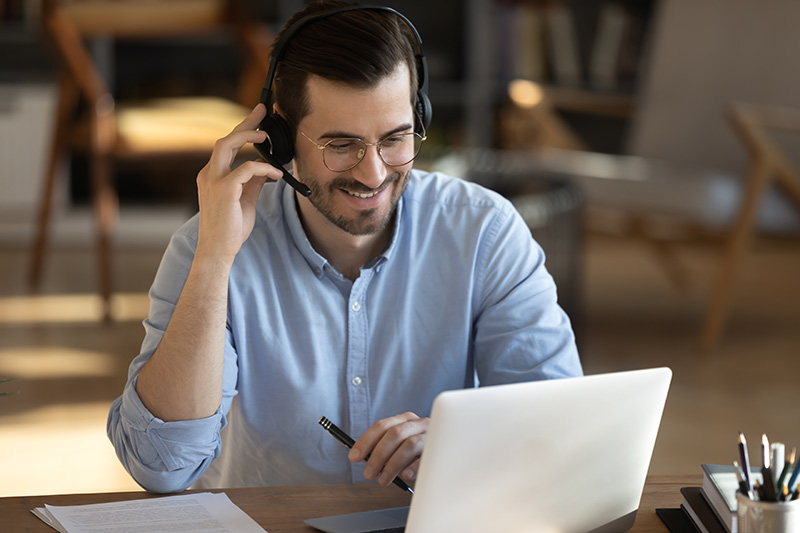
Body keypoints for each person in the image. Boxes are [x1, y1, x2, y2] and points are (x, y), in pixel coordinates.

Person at [107, 0, 582, 495]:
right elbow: (160, 467)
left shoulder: (484, 232)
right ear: (279, 138)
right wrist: (214, 261)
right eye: (341, 145)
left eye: (395, 139)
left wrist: (464, 439)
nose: (373, 173)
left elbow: (563, 428)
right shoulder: (207, 246)